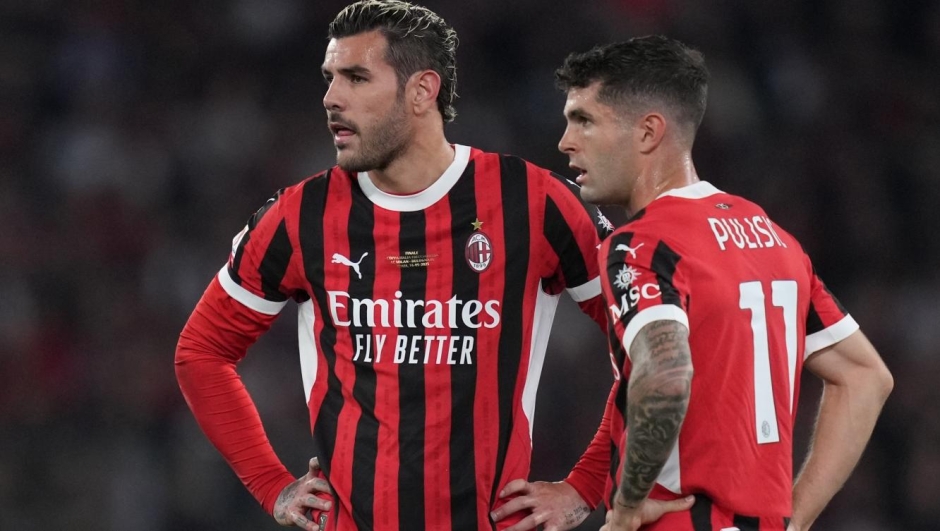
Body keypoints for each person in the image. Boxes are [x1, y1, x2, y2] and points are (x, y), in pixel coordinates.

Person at [173, 2, 669, 530]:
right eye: (329, 78)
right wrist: (271, 485)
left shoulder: (534, 202)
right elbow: (201, 352)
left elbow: (650, 347)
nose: (331, 98)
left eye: (356, 78)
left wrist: (584, 486)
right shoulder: (301, 214)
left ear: (422, 90)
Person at [493, 36, 894, 531]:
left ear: (648, 132)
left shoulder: (639, 245)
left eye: (584, 120)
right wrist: (797, 519)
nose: (565, 141)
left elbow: (663, 375)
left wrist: (628, 504)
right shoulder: (772, 237)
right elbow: (865, 377)